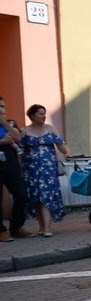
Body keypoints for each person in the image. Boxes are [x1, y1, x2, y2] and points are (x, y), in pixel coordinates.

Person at [20, 104, 69, 236]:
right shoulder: (24, 131)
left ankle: (47, 228)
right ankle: (41, 228)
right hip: (30, 169)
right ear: (32, 116)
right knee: (35, 198)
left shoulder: (50, 129)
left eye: (44, 113)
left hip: (48, 170)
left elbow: (61, 145)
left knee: (45, 196)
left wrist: (67, 153)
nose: (44, 116)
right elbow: (19, 149)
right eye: (41, 114)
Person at [0, 97, 28, 240]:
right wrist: (3, 141)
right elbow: (8, 140)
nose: (2, 109)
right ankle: (1, 231)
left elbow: (18, 138)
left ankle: (16, 227)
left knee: (21, 194)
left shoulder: (8, 123)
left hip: (10, 161)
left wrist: (3, 122)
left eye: (3, 106)